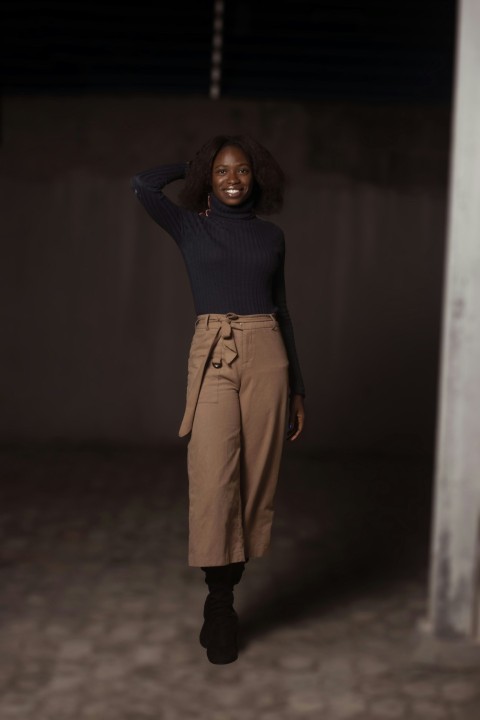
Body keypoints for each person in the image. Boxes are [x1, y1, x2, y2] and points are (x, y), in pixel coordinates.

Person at [131, 135, 305, 664]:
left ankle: (227, 594)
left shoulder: (272, 237)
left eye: (243, 171)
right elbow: (144, 185)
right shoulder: (192, 227)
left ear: (258, 178)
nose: (233, 179)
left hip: (268, 354)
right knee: (213, 476)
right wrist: (197, 165)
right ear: (210, 177)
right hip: (214, 353)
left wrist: (299, 387)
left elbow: (283, 309)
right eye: (223, 172)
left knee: (253, 481)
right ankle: (219, 602)